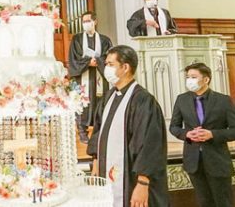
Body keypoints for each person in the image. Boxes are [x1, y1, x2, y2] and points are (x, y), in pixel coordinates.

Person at [88, 45, 168, 207]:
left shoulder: (143, 101)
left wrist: (143, 182)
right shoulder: (109, 96)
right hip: (106, 171)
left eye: (111, 64)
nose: (106, 68)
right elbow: (98, 131)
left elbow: (150, 144)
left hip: (133, 178)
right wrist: (96, 161)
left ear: (125, 67)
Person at [169, 63, 235, 207]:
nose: (189, 80)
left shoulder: (223, 100)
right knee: (204, 201)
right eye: (187, 77)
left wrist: (212, 134)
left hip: (217, 160)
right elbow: (174, 127)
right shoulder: (182, 99)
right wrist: (187, 134)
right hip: (193, 160)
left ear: (206, 79)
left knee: (223, 202)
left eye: (193, 77)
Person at [67, 11, 113, 143]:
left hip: (99, 76)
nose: (86, 24)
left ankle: (98, 132)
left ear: (95, 22)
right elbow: (73, 58)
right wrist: (88, 62)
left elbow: (109, 57)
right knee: (82, 102)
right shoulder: (77, 39)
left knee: (100, 102)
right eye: (84, 22)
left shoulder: (105, 40)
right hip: (82, 76)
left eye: (88, 21)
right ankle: (82, 132)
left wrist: (98, 61)